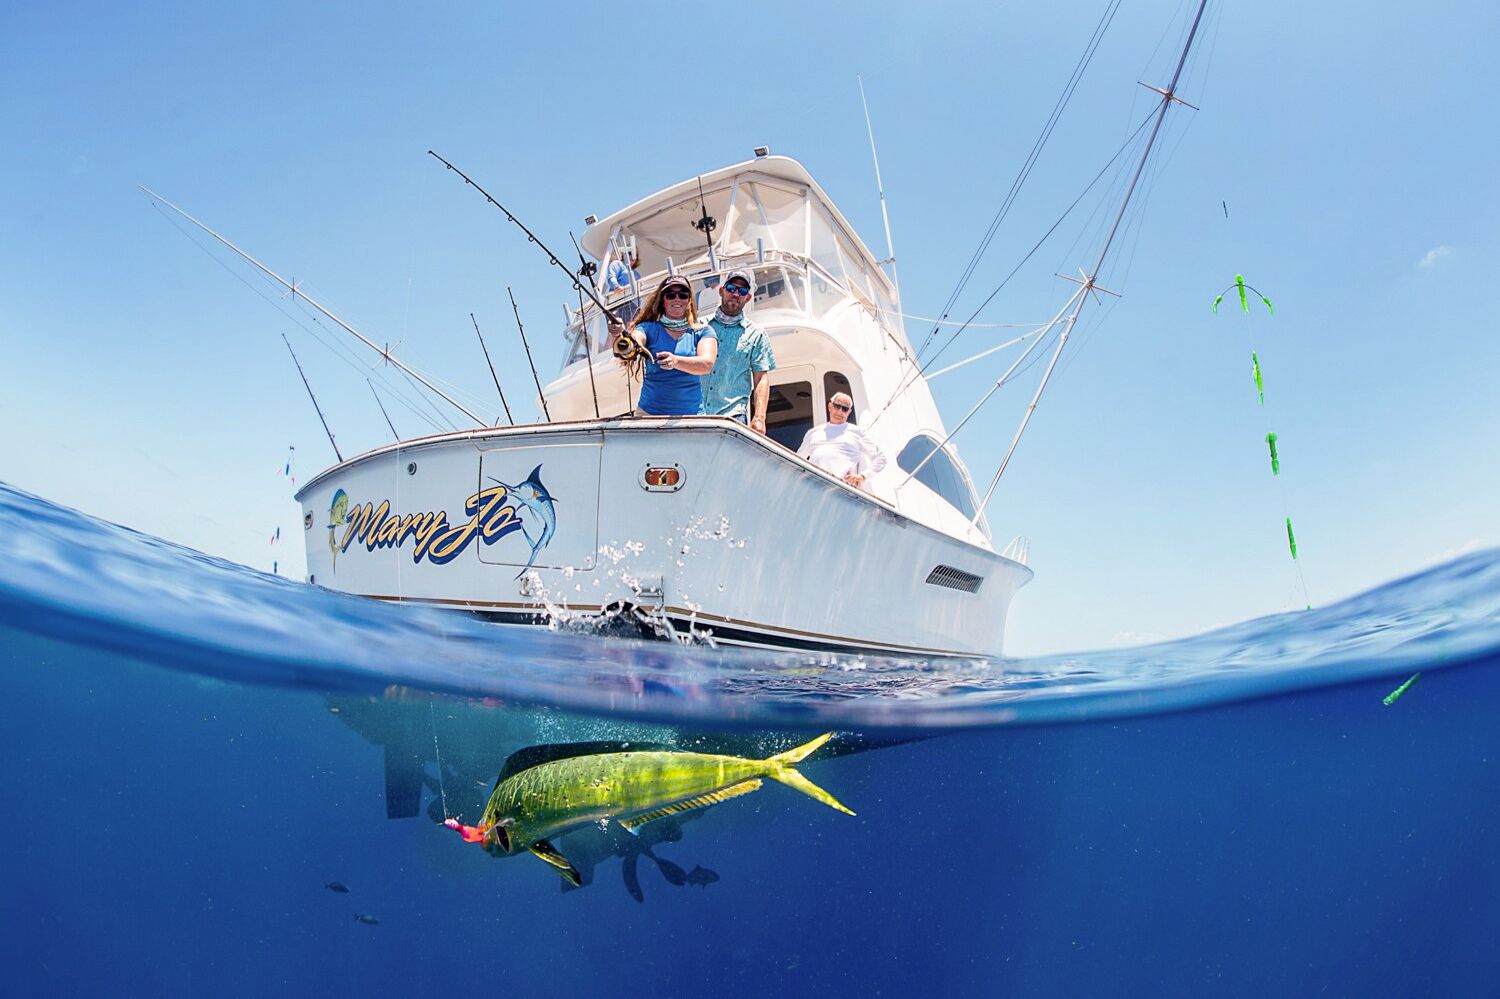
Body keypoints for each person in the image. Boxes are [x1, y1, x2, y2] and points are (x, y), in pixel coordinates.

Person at [609, 274, 717, 417]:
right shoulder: (647, 328)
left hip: (692, 416)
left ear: (689, 300)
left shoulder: (703, 331)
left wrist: (676, 361)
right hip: (649, 414)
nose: (677, 298)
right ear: (662, 300)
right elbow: (635, 340)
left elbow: (706, 364)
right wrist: (620, 335)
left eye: (683, 294)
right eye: (670, 295)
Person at [700, 268, 775, 433]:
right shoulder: (699, 326)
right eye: (731, 288)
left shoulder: (757, 334)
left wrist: (759, 418)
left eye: (742, 291)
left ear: (748, 297)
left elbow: (761, 378)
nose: (735, 294)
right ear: (721, 291)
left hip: (733, 416)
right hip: (695, 412)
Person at [797, 391, 886, 488]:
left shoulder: (857, 433)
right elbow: (798, 460)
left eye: (845, 409)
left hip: (842, 490)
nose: (840, 411)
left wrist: (863, 476)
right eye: (837, 406)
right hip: (813, 486)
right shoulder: (813, 433)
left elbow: (881, 458)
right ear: (830, 407)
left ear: (849, 412)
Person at [605, 249, 642, 325]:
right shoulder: (617, 264)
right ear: (624, 255)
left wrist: (639, 305)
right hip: (617, 301)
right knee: (616, 325)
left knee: (630, 326)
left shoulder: (637, 274)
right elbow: (611, 276)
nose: (632, 257)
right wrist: (616, 286)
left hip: (632, 304)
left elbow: (639, 289)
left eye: (635, 255)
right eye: (629, 254)